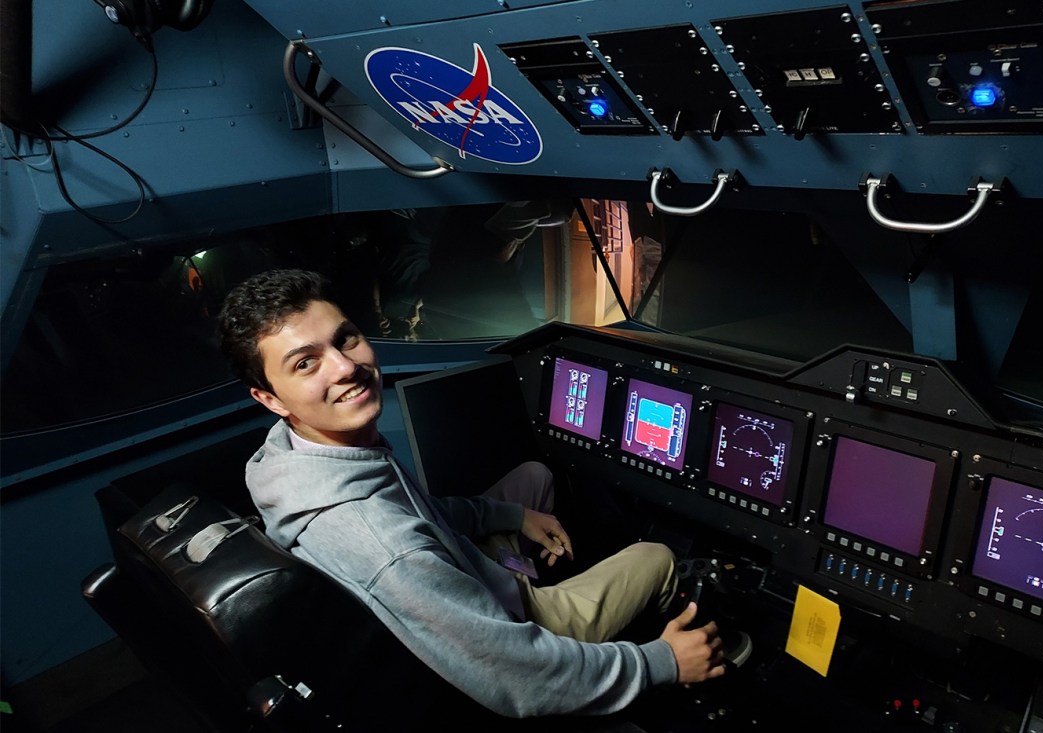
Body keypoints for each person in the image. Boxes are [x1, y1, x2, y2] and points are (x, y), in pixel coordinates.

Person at [215, 268, 725, 719]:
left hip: (461, 570)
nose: (344, 368)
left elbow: (428, 516)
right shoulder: (384, 545)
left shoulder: (293, 455)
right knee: (655, 556)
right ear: (268, 397)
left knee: (533, 477)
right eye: (305, 363)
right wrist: (661, 661)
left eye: (344, 339)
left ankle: (521, 562)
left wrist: (508, 515)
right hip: (506, 629)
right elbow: (520, 678)